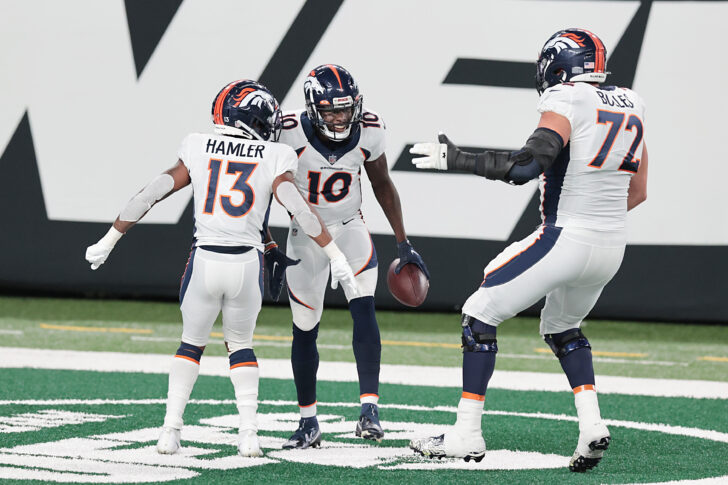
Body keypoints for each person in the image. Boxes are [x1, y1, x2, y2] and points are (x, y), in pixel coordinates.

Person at [407, 28, 648, 472]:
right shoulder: (631, 102)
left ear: (557, 67)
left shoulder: (567, 99)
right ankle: (592, 425)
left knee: (479, 313)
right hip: (612, 244)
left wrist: (457, 159)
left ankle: (466, 433)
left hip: (566, 236)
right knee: (562, 327)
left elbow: (525, 167)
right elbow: (639, 190)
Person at [84, 79, 361, 458]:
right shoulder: (274, 155)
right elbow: (298, 209)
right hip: (246, 265)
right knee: (242, 348)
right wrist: (337, 257)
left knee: (190, 345)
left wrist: (110, 238)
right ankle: (248, 436)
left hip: (205, 261)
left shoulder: (198, 146)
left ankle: (169, 431)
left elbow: (152, 192)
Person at [268, 64, 429, 449]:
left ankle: (369, 410)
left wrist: (403, 241)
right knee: (305, 326)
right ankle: (308, 421)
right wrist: (267, 240)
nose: (339, 118)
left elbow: (382, 184)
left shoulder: (370, 130)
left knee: (364, 308)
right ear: (311, 109)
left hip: (349, 225)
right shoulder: (288, 132)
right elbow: (266, 187)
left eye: (344, 109)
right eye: (330, 110)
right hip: (305, 234)